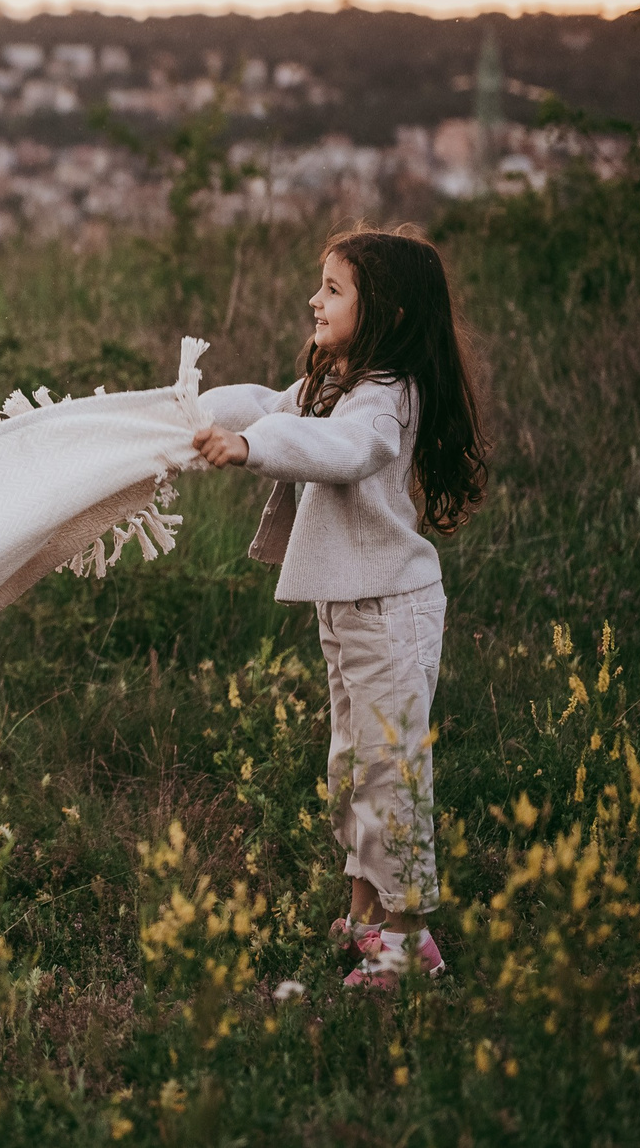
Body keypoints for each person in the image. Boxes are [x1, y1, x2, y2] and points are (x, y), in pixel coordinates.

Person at [190, 227, 487, 988]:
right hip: (350, 609)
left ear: (380, 309)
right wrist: (183, 409)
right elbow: (266, 402)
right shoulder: (340, 382)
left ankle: (409, 939)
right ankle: (365, 912)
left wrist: (252, 449)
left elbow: (344, 451)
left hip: (390, 612)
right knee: (353, 769)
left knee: (394, 778)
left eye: (332, 289)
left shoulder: (386, 399)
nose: (313, 300)